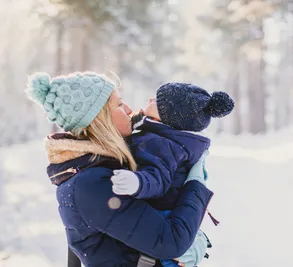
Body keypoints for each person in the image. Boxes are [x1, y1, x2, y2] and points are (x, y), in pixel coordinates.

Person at [26, 72, 212, 267]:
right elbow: (170, 242)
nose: (130, 109)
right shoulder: (91, 182)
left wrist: (194, 236)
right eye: (120, 105)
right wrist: (195, 185)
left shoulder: (97, 166)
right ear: (100, 118)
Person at [109, 83, 234, 267]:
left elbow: (157, 177)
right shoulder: (158, 134)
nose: (150, 99)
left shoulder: (162, 144)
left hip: (164, 216)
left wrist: (137, 183)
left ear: (169, 117)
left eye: (157, 100)